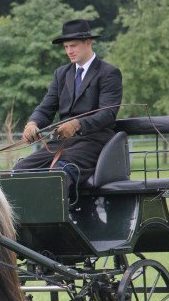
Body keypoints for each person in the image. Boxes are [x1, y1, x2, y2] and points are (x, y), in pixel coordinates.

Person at [13, 19, 123, 190]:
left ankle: (62, 216)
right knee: (20, 171)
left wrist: (78, 124)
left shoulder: (108, 73)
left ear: (88, 42)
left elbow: (107, 114)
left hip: (94, 143)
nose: (69, 51)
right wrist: (33, 123)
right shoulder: (61, 74)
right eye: (66, 47)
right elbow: (46, 108)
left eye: (73, 46)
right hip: (61, 142)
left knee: (58, 174)